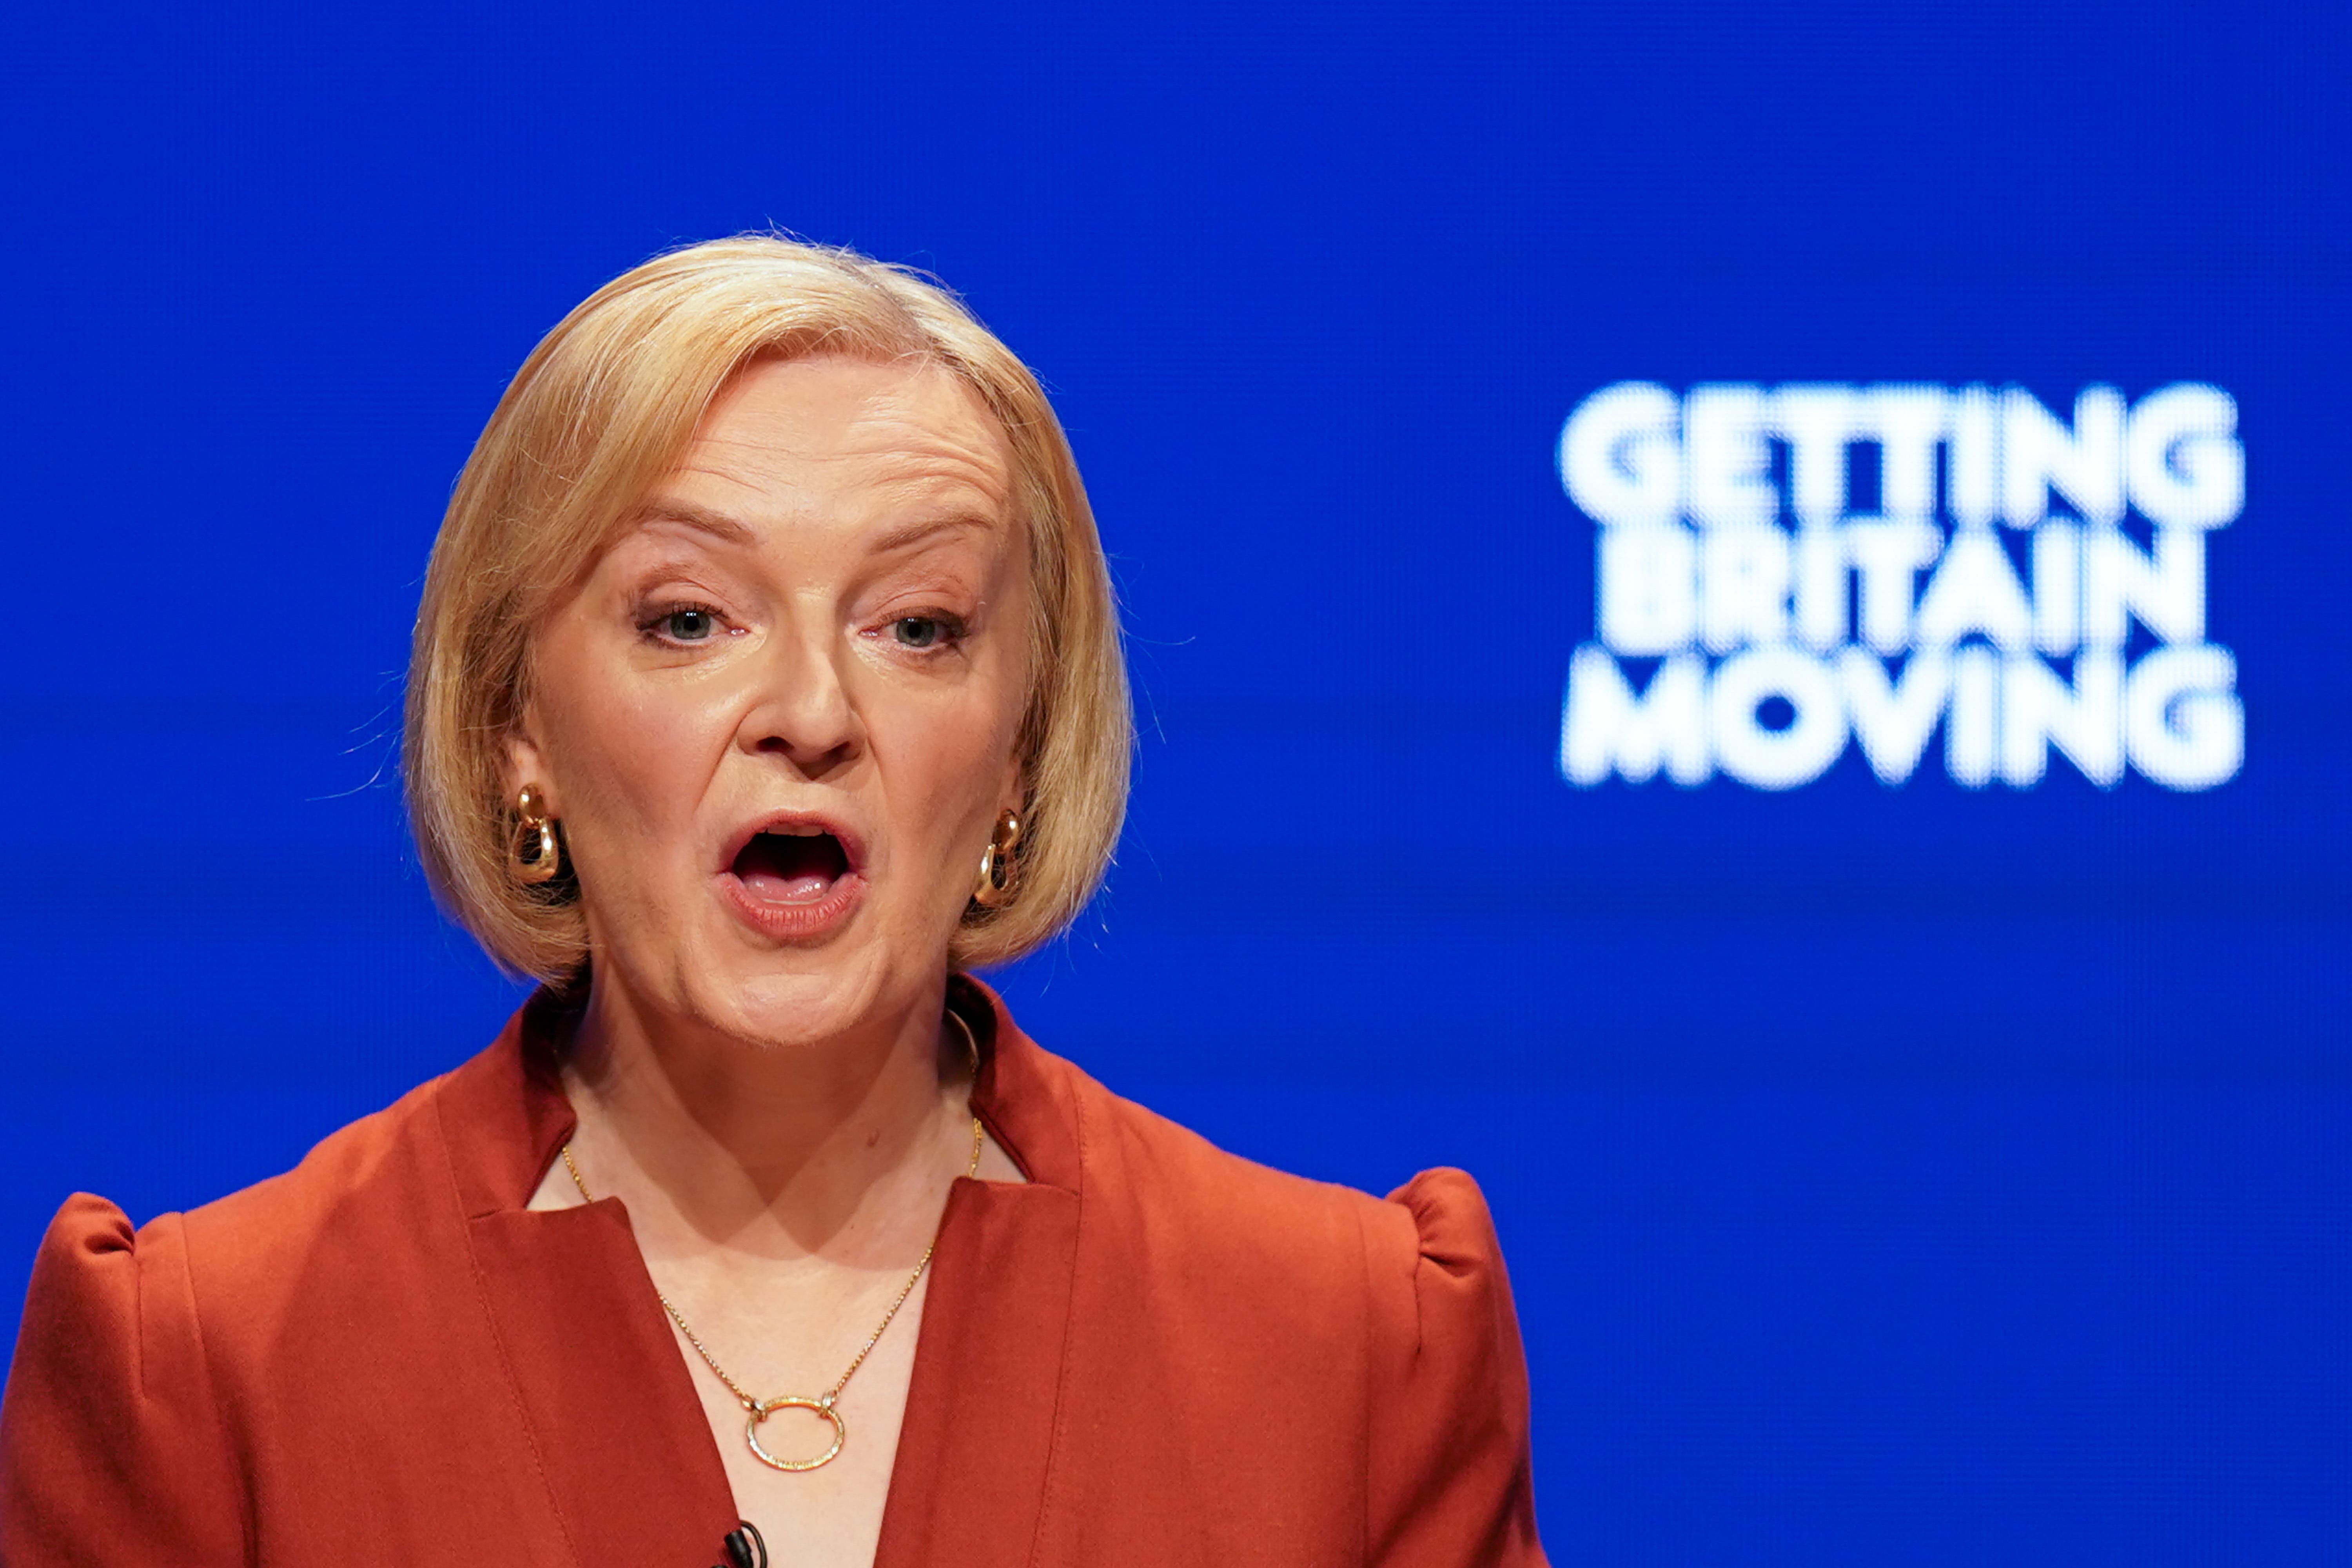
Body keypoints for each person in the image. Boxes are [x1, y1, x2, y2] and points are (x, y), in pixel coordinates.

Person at [0, 236, 1544, 1567]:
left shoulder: (1348, 1348)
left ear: (1019, 747)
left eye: (918, 626)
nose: (812, 707)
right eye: (690, 618)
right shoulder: (214, 1370)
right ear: (514, 729)